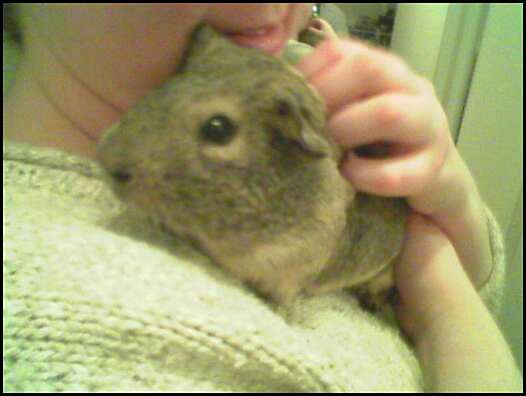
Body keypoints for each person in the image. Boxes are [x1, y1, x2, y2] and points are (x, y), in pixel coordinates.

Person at [3, 4, 522, 392]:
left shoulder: (289, 61)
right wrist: (441, 293)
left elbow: (465, 292)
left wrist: (455, 212)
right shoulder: (75, 334)